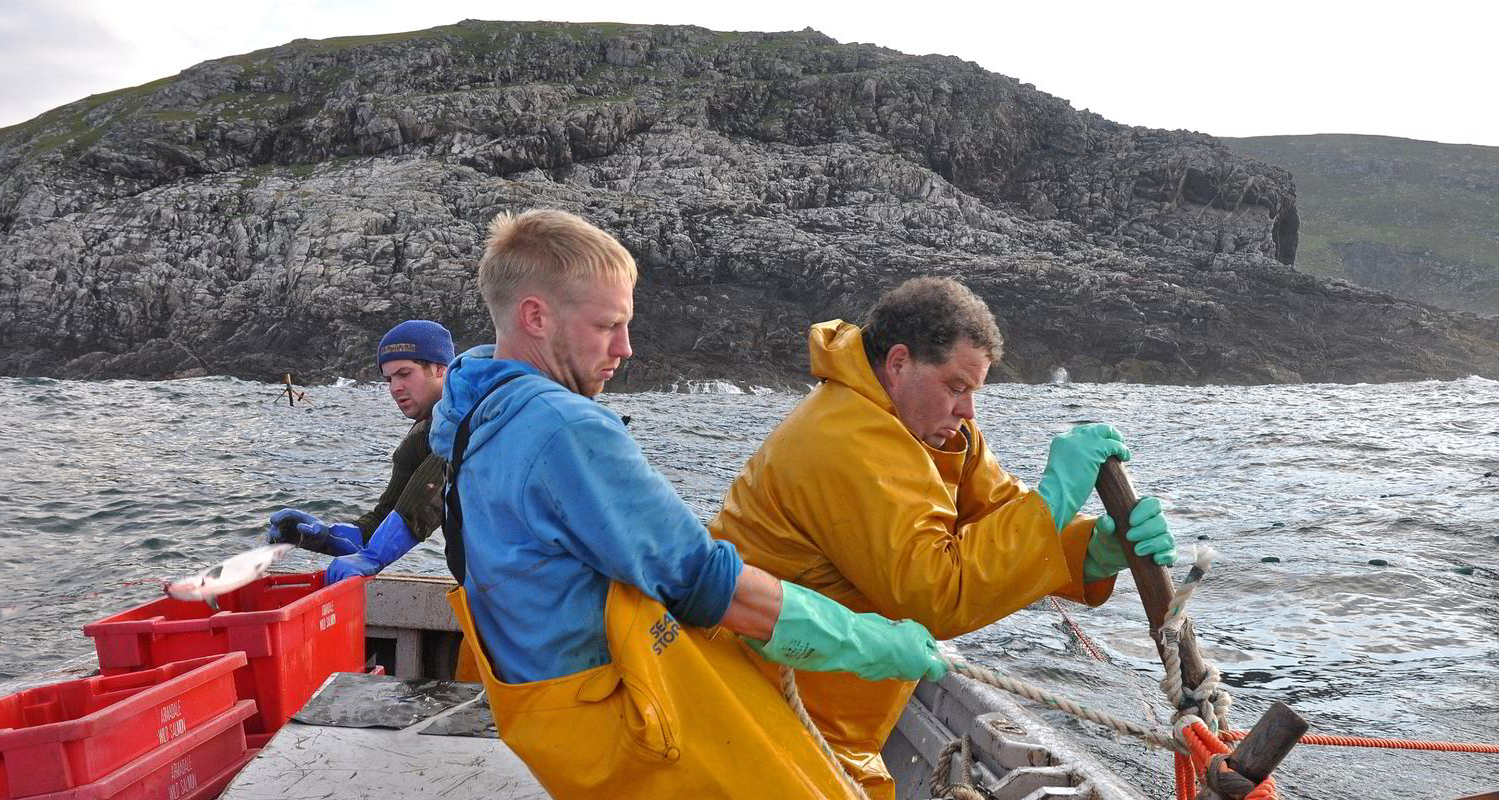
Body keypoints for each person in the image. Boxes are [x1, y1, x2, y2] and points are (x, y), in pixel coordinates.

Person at [429, 208, 946, 798]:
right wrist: (868, 642)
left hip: (542, 718)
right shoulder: (562, 427)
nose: (625, 348)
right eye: (607, 325)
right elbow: (703, 579)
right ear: (535, 317)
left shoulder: (473, 409)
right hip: (615, 726)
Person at [708, 276, 1178, 800]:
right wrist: (1056, 496)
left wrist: (1091, 550)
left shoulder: (938, 428)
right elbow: (935, 592)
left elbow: (1001, 516)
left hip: (839, 724)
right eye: (956, 387)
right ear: (899, 363)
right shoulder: (842, 437)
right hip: (756, 715)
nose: (968, 411)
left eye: (975, 390)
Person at [265, 320, 456, 585]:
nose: (395, 388)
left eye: (404, 373)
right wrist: (326, 536)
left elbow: (434, 486)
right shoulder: (422, 435)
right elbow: (387, 517)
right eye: (389, 379)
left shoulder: (476, 416)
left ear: (440, 369)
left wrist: (375, 556)